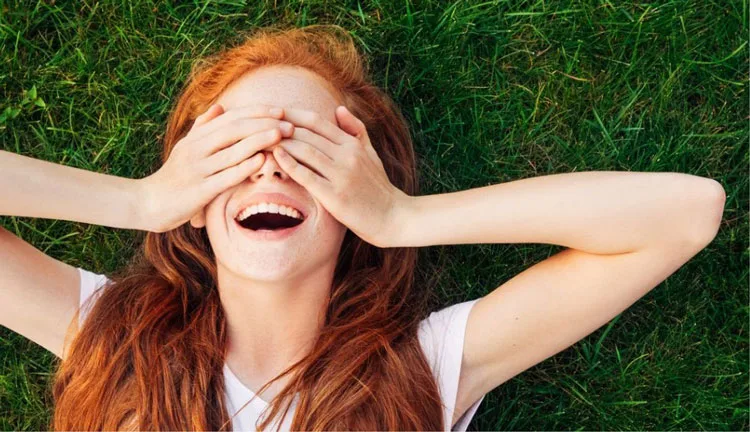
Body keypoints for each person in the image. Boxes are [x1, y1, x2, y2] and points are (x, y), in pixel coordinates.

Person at [0, 24, 725, 431]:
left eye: (313, 153)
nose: (271, 170)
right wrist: (139, 203)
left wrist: (403, 217)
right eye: (235, 152)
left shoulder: (426, 366)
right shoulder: (106, 336)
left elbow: (685, 213)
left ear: (356, 195)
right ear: (194, 192)